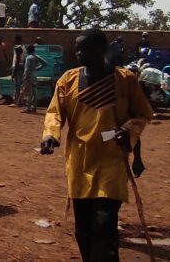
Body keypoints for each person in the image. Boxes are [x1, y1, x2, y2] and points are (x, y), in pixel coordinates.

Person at [40, 28, 153, 261]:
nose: (80, 53)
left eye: (85, 49)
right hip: (80, 160)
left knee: (104, 222)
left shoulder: (125, 80)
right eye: (77, 49)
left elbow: (142, 114)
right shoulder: (68, 80)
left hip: (111, 160)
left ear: (102, 49)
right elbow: (54, 112)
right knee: (83, 230)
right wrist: (50, 134)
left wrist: (128, 131)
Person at [21, 44, 46, 113]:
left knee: (30, 93)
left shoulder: (28, 57)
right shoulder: (36, 56)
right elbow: (44, 63)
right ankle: (34, 108)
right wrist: (37, 69)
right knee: (35, 92)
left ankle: (28, 108)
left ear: (28, 50)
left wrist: (24, 78)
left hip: (29, 76)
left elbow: (27, 69)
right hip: (35, 75)